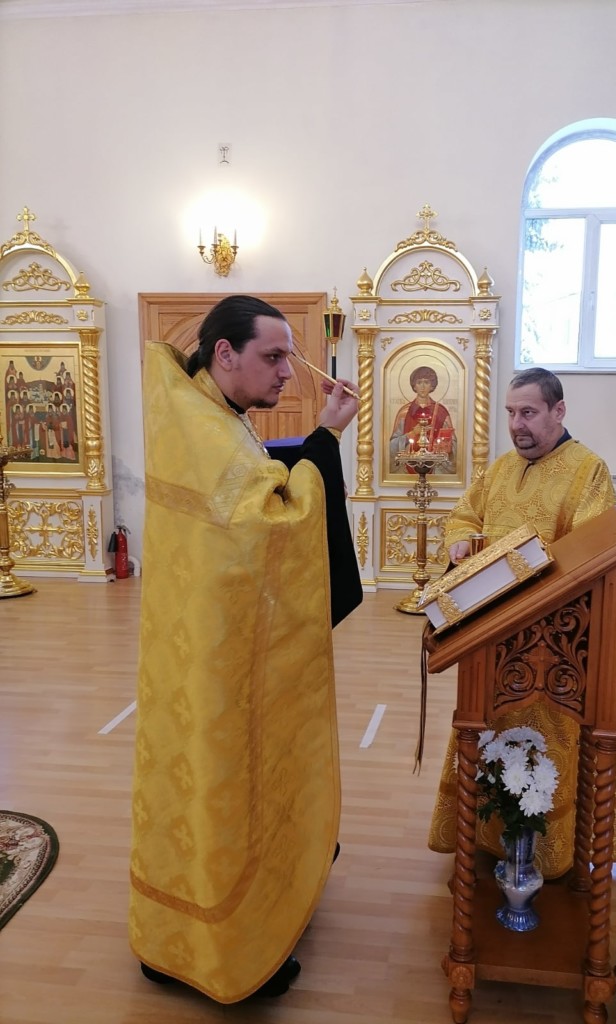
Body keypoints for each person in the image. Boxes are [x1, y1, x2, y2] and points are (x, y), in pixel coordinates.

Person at [129, 295, 363, 1004]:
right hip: (219, 661)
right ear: (224, 352)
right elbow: (274, 521)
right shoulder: (207, 426)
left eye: (289, 357)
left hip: (194, 651)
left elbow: (249, 493)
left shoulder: (199, 411)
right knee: (229, 782)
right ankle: (228, 951)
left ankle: (175, 936)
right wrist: (326, 438)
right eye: (273, 357)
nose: (287, 373)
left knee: (192, 786)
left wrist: (308, 445)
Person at [428, 367, 616, 879]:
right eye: (511, 413)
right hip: (491, 632)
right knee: (485, 727)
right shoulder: (499, 468)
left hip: (554, 643)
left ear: (559, 411)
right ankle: (488, 839)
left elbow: (590, 553)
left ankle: (547, 853)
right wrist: (459, 540)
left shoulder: (588, 471)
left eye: (529, 413)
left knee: (547, 741)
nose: (517, 424)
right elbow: (465, 515)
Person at [389, 365, 456, 474]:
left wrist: (442, 445)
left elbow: (454, 446)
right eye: (419, 382)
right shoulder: (404, 413)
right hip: (408, 469)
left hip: (436, 469)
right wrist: (411, 434)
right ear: (414, 386)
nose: (423, 386)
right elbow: (391, 447)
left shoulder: (441, 412)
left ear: (432, 385)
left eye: (426, 382)